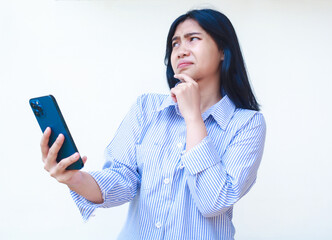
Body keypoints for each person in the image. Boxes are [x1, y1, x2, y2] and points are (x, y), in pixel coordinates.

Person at [40, 8, 266, 240]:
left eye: (193, 39)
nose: (180, 50)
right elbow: (123, 180)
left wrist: (193, 118)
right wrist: (73, 178)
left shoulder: (247, 124)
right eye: (175, 43)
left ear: (222, 50)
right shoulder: (146, 108)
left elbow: (213, 202)